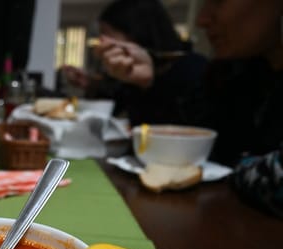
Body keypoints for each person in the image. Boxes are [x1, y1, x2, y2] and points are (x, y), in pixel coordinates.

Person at [96, 0, 283, 216]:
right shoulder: (234, 76)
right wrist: (148, 85)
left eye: (218, 1)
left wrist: (233, 164)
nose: (201, 20)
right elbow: (182, 154)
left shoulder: (194, 68)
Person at [60, 0, 208, 127]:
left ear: (136, 33)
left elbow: (183, 131)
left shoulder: (194, 70)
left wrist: (148, 84)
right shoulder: (127, 73)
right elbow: (110, 111)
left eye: (106, 33)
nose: (100, 41)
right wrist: (91, 84)